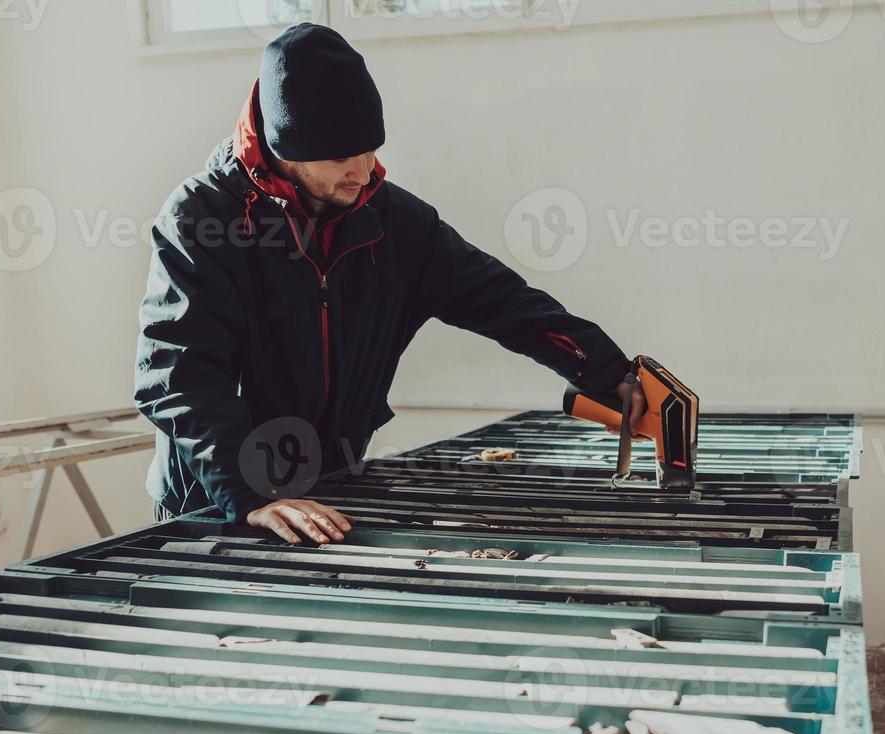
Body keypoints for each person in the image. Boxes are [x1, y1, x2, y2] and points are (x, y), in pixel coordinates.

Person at [134, 24, 642, 545]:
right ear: (284, 146)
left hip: (329, 489)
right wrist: (251, 495)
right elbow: (179, 376)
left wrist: (608, 373)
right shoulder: (202, 220)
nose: (362, 172)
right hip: (217, 505)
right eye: (338, 158)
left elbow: (501, 300)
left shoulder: (391, 220)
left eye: (369, 149)